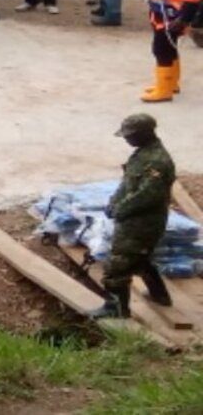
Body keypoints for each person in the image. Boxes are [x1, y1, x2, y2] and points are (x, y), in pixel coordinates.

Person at [89, 113, 175, 319]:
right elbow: (127, 184)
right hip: (133, 219)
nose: (127, 139)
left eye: (130, 135)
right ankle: (160, 295)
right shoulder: (141, 155)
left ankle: (116, 308)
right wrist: (113, 201)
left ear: (145, 134)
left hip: (143, 224)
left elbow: (148, 195)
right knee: (141, 259)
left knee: (117, 265)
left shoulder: (158, 162)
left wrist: (121, 209)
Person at [139, 0, 202, 103]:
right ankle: (171, 84)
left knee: (161, 50)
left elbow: (192, 0)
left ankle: (164, 91)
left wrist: (183, 20)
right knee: (168, 49)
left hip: (173, 17)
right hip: (160, 15)